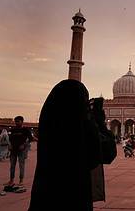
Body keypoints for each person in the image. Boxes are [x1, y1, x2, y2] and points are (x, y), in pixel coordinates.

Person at [28, 80, 104, 211]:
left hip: (46, 192)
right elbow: (102, 154)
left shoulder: (49, 123)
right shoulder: (81, 127)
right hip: (74, 193)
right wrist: (99, 122)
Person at [6, 116, 33, 187]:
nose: (16, 123)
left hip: (21, 151)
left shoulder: (25, 130)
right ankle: (11, 180)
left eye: (18, 121)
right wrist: (9, 145)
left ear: (22, 121)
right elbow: (9, 139)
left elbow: (30, 139)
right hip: (13, 150)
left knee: (21, 166)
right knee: (12, 166)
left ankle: (21, 181)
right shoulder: (13, 130)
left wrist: (24, 144)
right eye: (16, 121)